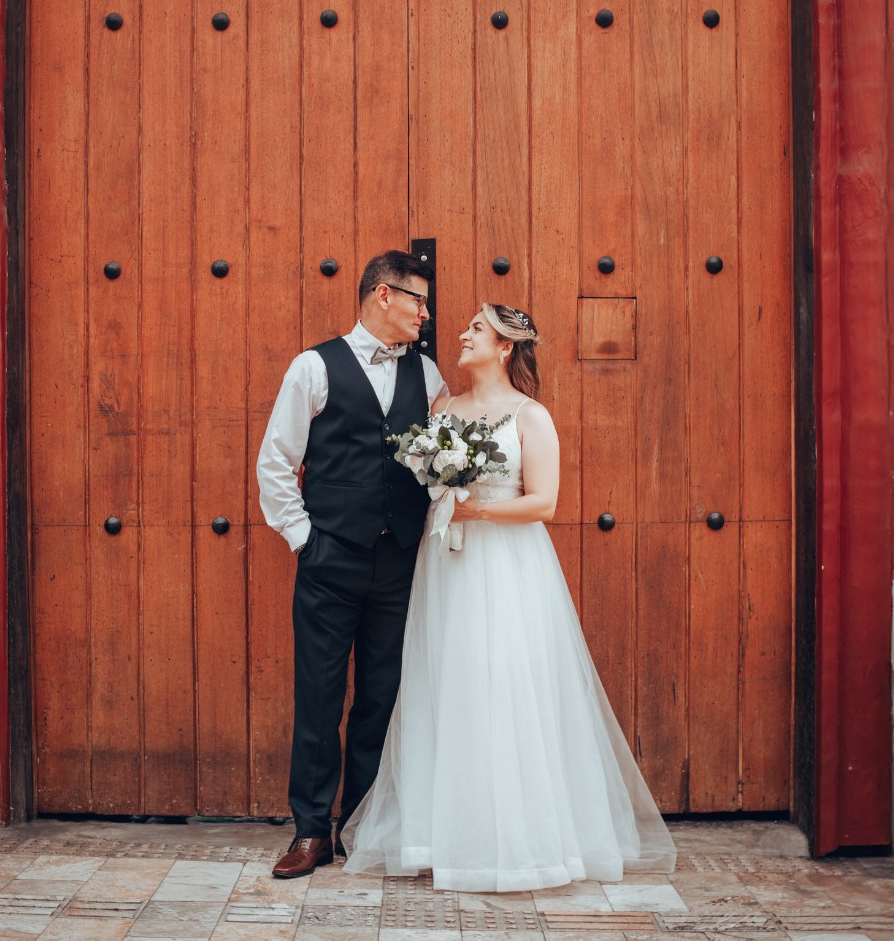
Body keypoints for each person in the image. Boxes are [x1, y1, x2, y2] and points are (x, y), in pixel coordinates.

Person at [342, 302, 676, 892]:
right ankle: (442, 836)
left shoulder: (530, 415)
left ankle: (519, 840)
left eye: (477, 329)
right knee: (446, 684)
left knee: (504, 685)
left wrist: (480, 508)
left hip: (506, 567)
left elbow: (544, 503)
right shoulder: (443, 407)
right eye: (468, 327)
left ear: (504, 349)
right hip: (446, 563)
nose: (464, 335)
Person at [256, 250, 449, 879]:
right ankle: (311, 832)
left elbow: (441, 462)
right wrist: (305, 540)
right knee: (319, 695)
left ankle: (364, 827)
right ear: (382, 296)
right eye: (417, 300)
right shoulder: (313, 367)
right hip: (330, 559)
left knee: (381, 697)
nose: (425, 312)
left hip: (398, 562)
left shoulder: (429, 374)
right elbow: (277, 462)